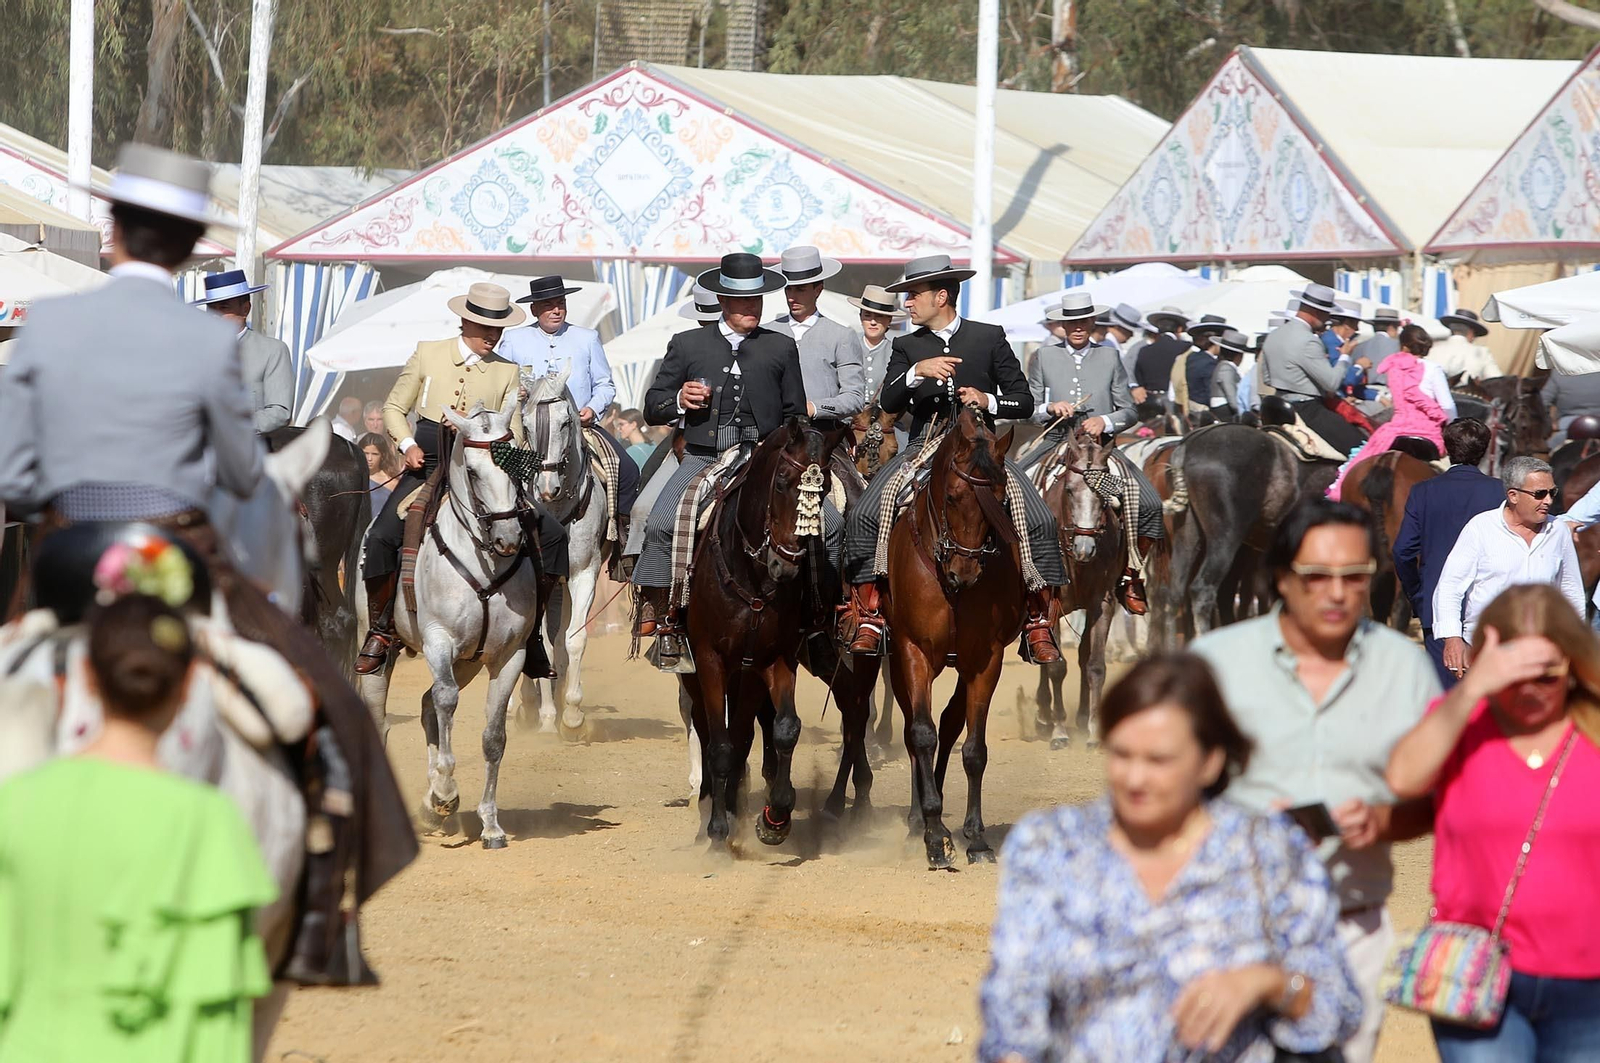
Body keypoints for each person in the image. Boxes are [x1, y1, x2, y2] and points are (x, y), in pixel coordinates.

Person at [0, 141, 413, 988]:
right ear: (190, 248)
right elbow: (236, 470)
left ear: (112, 233)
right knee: (327, 706)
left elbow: (10, 471)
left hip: (64, 557)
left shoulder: (53, 326)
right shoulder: (205, 345)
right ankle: (321, 922)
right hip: (174, 555)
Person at [979, 653, 1362, 1063]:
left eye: (1158, 760)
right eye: (1121, 755)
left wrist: (1265, 983)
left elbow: (1339, 1007)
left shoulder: (1270, 852)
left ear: (1210, 762)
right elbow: (1011, 1011)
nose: (1135, 779)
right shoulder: (1050, 846)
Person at [1191, 498, 1441, 1063]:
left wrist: (1381, 819)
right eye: (1317, 576)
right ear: (1282, 577)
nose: (1337, 593)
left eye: (1355, 577)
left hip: (1350, 929)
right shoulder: (1212, 663)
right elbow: (1160, 798)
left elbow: (1432, 800)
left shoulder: (1403, 668)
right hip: (1225, 929)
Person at [0, 592, 276, 1062]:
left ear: (86, 677)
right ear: (189, 685)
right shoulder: (211, 825)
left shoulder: (12, 806)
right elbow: (219, 1024)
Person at [1387, 583, 1600, 1062]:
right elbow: (1402, 779)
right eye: (1512, 676)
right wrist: (1473, 689)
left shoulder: (1594, 725)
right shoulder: (1461, 722)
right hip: (1476, 973)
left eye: (1546, 675)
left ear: (1574, 664)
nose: (1528, 690)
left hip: (1589, 984)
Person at [836, 254, 1067, 663]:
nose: (906, 304)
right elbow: (886, 404)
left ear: (940, 296)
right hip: (922, 445)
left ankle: (1037, 621)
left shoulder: (988, 336)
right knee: (863, 515)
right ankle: (869, 611)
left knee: (1042, 519)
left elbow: (1024, 400)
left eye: (913, 296)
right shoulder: (908, 346)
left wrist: (987, 399)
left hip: (981, 451)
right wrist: (914, 373)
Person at [355, 280, 558, 679]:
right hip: (429, 462)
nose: (493, 336)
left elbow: (514, 432)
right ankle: (381, 630)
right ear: (466, 323)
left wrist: (492, 442)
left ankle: (530, 635)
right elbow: (395, 408)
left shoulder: (507, 371)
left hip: (489, 468)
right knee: (381, 537)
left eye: (498, 328)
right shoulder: (429, 354)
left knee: (551, 535)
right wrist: (408, 443)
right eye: (486, 327)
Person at [631, 252, 822, 665]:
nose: (751, 307)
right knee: (660, 521)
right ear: (722, 301)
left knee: (831, 524)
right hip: (703, 456)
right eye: (741, 300)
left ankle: (825, 618)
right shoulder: (688, 344)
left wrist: (802, 458)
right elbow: (653, 406)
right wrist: (679, 400)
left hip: (767, 461)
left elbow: (793, 414)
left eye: (756, 299)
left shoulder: (781, 346)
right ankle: (665, 615)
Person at [1020, 290, 1165, 613]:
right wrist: (1049, 407)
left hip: (1101, 450)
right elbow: (1028, 408)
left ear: (1092, 321)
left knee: (1151, 503)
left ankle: (1130, 576)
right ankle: (1019, 578)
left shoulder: (1110, 357)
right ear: (1061, 325)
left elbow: (1129, 411)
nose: (1077, 327)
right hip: (1055, 440)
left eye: (1083, 320)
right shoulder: (1044, 356)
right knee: (1009, 492)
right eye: (1071, 322)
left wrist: (1105, 420)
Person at [497, 275, 640, 534]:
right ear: (534, 309)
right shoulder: (514, 339)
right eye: (549, 305)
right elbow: (499, 387)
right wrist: (513, 394)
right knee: (498, 473)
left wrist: (593, 408)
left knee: (628, 472)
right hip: (528, 431)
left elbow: (605, 384)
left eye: (561, 303)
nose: (556, 310)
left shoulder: (586, 338)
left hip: (580, 428)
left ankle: (621, 539)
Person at [1433, 456, 1586, 680]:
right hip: (1487, 650)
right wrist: (1452, 638)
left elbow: (1571, 591)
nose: (1548, 501)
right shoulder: (1480, 528)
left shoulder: (1559, 531)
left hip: (1543, 652)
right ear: (1513, 495)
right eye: (1539, 494)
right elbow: (1450, 586)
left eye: (1552, 493)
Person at [1393, 418, 1507, 687]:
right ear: (1484, 449)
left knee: (1445, 697)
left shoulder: (1423, 491)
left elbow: (1402, 551)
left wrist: (1418, 594)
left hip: (1436, 606)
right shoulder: (1500, 491)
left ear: (1446, 448)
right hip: (1491, 607)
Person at [1328, 324, 1450, 500]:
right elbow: (1447, 405)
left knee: (1357, 464)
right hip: (1429, 433)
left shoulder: (1393, 366)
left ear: (1403, 346)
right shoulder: (1433, 369)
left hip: (1396, 429)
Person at [1258, 283, 1368, 457]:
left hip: (1277, 406)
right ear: (1317, 313)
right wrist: (1345, 357)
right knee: (1363, 451)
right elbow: (1331, 383)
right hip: (1307, 409)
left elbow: (1267, 378)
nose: (1328, 320)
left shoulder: (1274, 335)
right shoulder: (1309, 341)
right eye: (1326, 315)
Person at [768, 246, 865, 427]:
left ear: (818, 290)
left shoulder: (842, 336)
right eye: (788, 290)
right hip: (772, 433)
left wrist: (814, 408)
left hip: (824, 433)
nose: (792, 297)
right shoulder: (766, 333)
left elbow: (855, 397)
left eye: (800, 290)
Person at [193, 269, 293, 434]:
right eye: (211, 308)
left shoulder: (272, 351)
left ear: (245, 309)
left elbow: (279, 411)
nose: (215, 315)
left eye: (223, 308)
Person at [847, 283, 909, 403]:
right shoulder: (847, 346)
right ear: (861, 317)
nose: (873, 322)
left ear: (889, 320)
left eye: (879, 316)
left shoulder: (896, 352)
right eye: (868, 315)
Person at [1429, 308, 1502, 383]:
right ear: (1471, 333)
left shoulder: (1433, 348)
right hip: (1465, 393)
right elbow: (1496, 380)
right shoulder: (1482, 352)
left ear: (1451, 330)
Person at [1134, 305, 1189, 404]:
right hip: (1176, 401)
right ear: (1179, 329)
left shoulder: (1144, 350)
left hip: (1151, 402)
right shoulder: (1185, 348)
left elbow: (1138, 377)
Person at [1541, 368, 1600, 449]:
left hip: (1566, 428)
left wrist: (1549, 423)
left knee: (1543, 453)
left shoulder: (1560, 372)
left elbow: (1543, 402)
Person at [1208, 329, 1248, 421]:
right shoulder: (1226, 368)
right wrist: (1242, 414)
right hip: (1225, 411)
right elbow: (1231, 395)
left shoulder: (1224, 366)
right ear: (1238, 356)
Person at [358, 431, 400, 519]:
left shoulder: (391, 482)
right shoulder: (354, 478)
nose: (369, 459)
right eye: (366, 453)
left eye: (375, 454)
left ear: (382, 455)